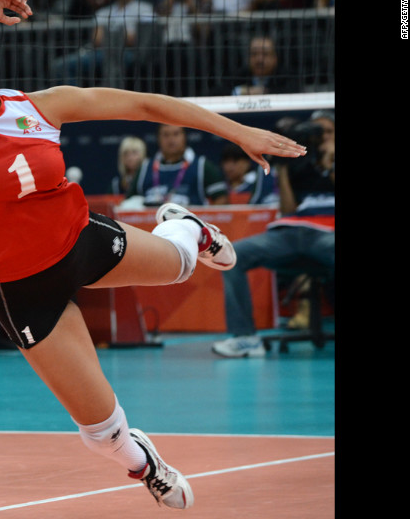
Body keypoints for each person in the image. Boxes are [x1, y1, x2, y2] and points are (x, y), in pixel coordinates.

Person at [0, 0, 305, 509]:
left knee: (181, 263)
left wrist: (237, 132)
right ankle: (145, 463)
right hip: (22, 290)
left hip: (80, 240)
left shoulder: (40, 108)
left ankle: (187, 227)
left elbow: (144, 106)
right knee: (101, 433)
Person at [213, 110, 334, 358]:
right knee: (231, 254)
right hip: (290, 230)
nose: (320, 138)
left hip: (328, 233)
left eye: (327, 132)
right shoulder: (301, 165)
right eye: (316, 132)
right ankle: (245, 337)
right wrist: (285, 167)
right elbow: (288, 209)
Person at [51, 0, 155, 88]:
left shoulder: (145, 9)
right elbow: (97, 40)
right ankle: (77, 102)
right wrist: (122, 36)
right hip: (102, 53)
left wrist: (112, 36)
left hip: (130, 53)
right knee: (61, 65)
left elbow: (139, 39)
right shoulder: (103, 12)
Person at [127, 123, 230, 207]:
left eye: (176, 134)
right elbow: (129, 202)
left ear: (184, 137)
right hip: (149, 227)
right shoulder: (145, 168)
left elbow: (221, 199)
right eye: (166, 135)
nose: (171, 139)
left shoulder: (201, 166)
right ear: (158, 138)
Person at [210, 34, 302, 96]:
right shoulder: (240, 74)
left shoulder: (287, 75)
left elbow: (293, 92)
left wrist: (264, 92)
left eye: (265, 54)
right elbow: (216, 92)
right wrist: (241, 91)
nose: (259, 59)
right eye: (254, 54)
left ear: (275, 58)